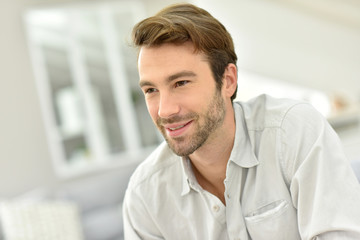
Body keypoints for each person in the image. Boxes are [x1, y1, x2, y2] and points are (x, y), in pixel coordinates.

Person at [122, 3, 360, 240]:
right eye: (151, 89)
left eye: (181, 83)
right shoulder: (145, 196)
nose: (165, 110)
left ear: (228, 80)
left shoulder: (293, 133)